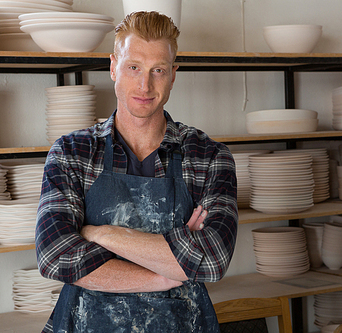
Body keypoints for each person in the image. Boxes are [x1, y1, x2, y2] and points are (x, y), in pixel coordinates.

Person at [35, 10, 238, 333]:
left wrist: (99, 233)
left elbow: (211, 261)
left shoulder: (208, 156)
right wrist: (164, 275)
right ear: (114, 67)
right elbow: (56, 255)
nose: (145, 84)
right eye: (134, 67)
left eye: (158, 70)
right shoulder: (73, 153)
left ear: (173, 74)